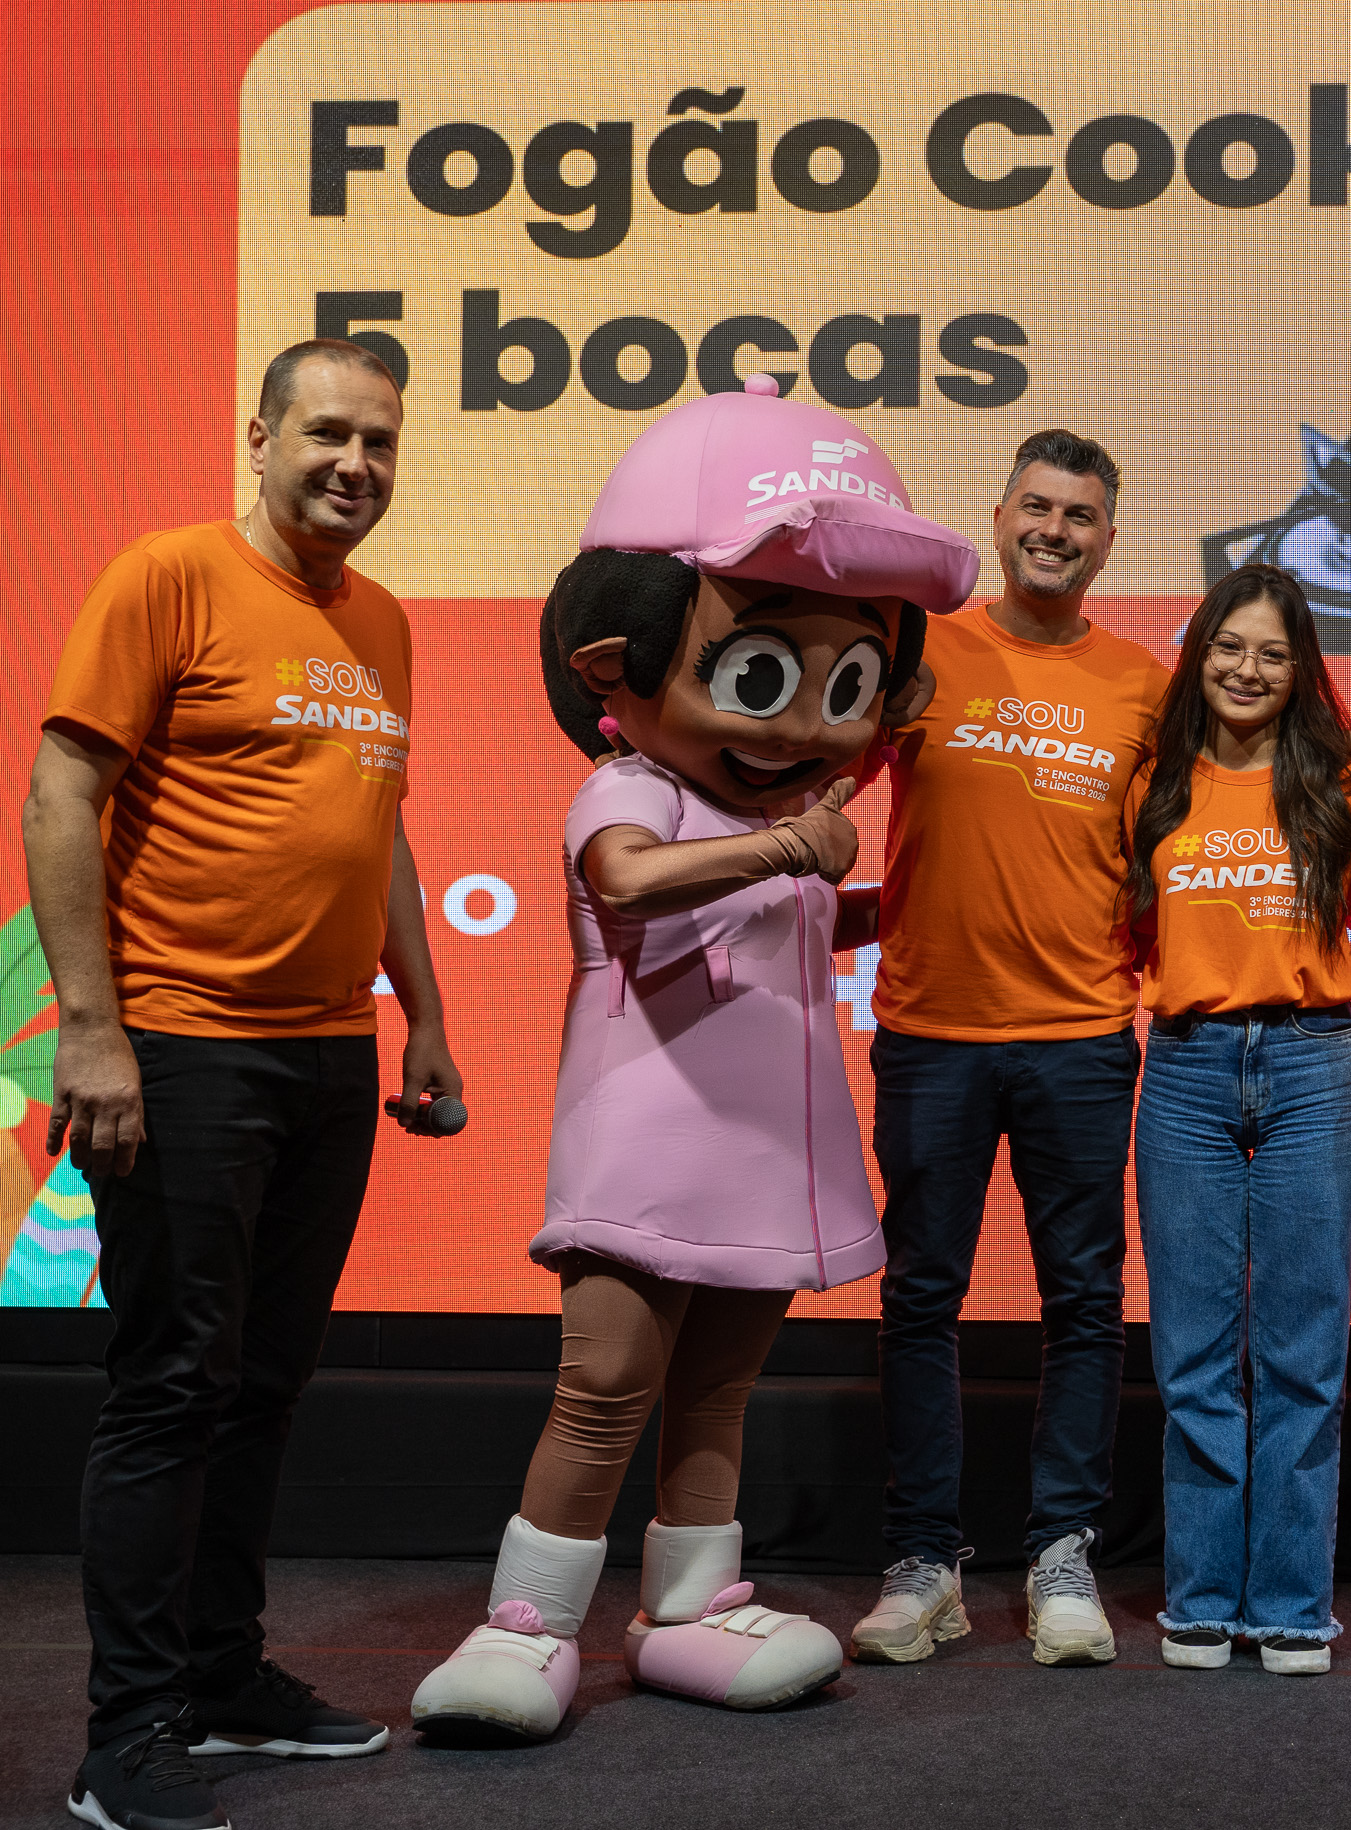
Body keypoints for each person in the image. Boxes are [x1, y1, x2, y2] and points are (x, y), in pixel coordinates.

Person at [410, 377, 981, 1739]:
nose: (803, 726)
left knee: (718, 1388)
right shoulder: (633, 788)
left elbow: (786, 912)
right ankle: (526, 1625)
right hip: (647, 1142)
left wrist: (889, 900)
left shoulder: (771, 820)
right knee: (603, 1385)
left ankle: (688, 1605)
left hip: (763, 1147)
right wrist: (790, 845)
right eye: (762, 675)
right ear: (615, 661)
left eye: (849, 685)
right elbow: (626, 879)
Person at [22, 339, 461, 1830]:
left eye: (380, 442)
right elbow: (61, 795)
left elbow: (379, 833)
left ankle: (219, 1675)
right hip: (179, 1043)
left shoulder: (383, 621)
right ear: (259, 437)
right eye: (328, 433)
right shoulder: (169, 576)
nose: (356, 464)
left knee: (264, 1383)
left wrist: (428, 1017)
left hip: (329, 1051)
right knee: (171, 1386)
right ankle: (126, 1734)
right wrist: (94, 1031)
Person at [850, 430, 1170, 1668]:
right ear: (997, 519)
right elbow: (819, 783)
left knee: (1082, 1303)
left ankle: (1061, 1554)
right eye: (1035, 507)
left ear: (1106, 540)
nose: (1054, 531)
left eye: (1078, 516)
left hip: (1081, 1036)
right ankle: (922, 1560)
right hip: (930, 1031)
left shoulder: (1143, 686)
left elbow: (1166, 859)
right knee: (919, 1297)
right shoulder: (920, 652)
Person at [1123, 563, 1351, 1676]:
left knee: (1303, 1352)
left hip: (1313, 1063)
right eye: (1229, 646)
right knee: (1193, 1356)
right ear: (1198, 654)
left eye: (1273, 653)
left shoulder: (1339, 783)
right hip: (1184, 1069)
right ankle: (1201, 1598)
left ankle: (1290, 1606)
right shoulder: (1155, 785)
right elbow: (1130, 929)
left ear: (1301, 669)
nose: (1248, 669)